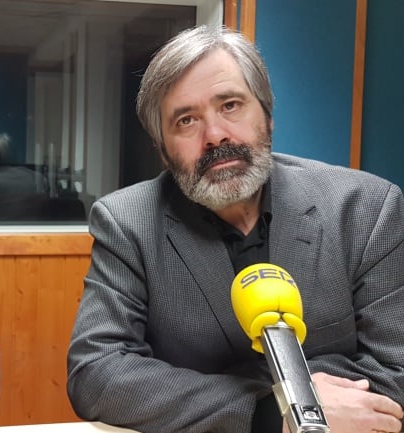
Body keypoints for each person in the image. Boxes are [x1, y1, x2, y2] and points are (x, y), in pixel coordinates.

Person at [67, 25, 404, 433]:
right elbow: (96, 373)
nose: (215, 135)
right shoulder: (127, 222)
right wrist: (280, 410)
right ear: (162, 147)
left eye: (230, 105)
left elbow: (396, 370)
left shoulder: (366, 207)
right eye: (186, 120)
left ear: (267, 113)